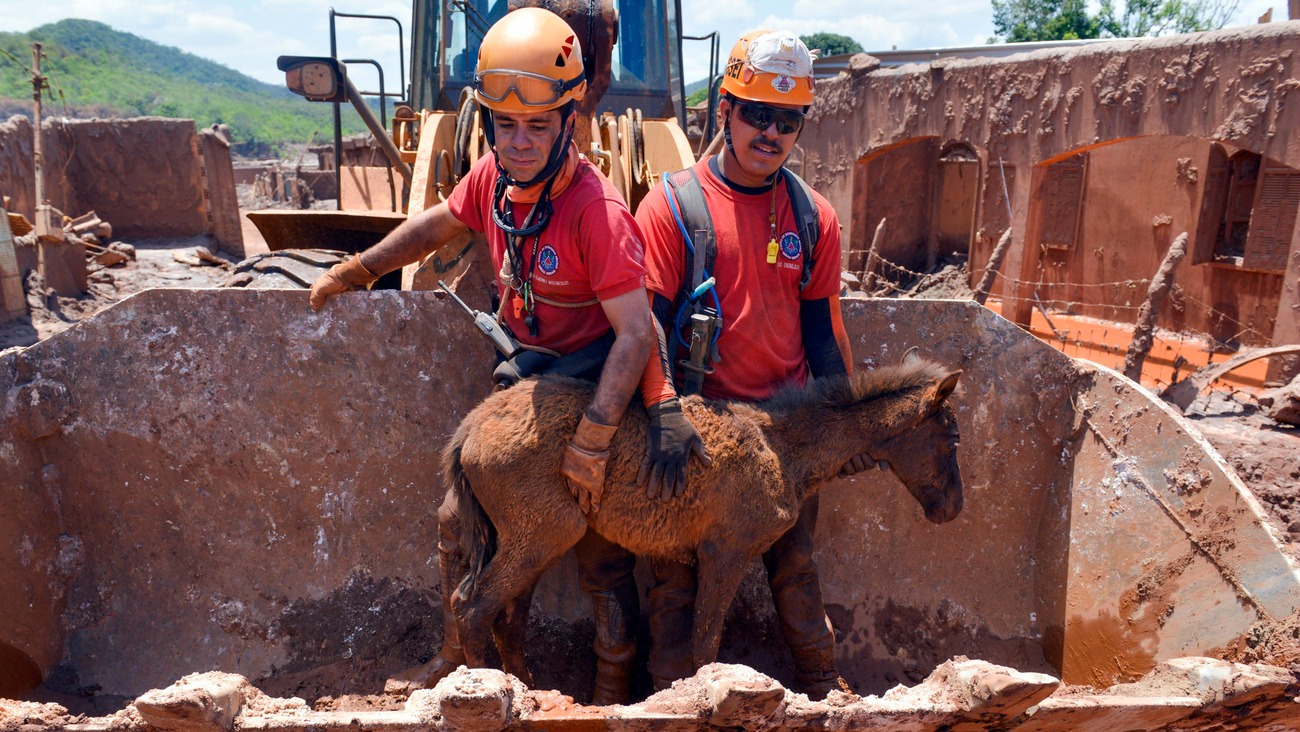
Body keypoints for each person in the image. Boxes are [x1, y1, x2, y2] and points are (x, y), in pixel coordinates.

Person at [307, 7, 707, 704]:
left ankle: (613, 687)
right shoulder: (496, 175)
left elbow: (637, 335)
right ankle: (457, 653)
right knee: (454, 522)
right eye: (505, 125)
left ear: (570, 120)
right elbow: (441, 220)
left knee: (599, 550)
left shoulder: (597, 213)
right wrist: (361, 269)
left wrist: (594, 436)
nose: (518, 143)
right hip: (530, 370)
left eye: (537, 127)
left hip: (592, 375)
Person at [634, 30, 877, 699]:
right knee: (676, 581)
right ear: (725, 111)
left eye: (788, 119)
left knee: (795, 567)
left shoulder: (812, 216)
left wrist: (845, 424)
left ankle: (825, 693)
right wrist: (661, 414)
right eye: (757, 114)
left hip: (788, 433)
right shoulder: (672, 207)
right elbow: (646, 324)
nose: (771, 132)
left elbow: (823, 334)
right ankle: (666, 703)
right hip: (703, 432)